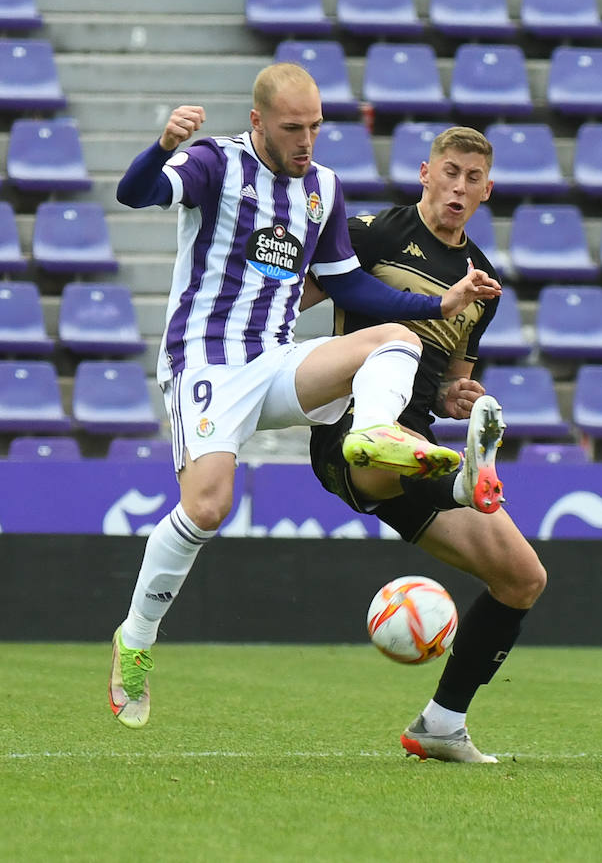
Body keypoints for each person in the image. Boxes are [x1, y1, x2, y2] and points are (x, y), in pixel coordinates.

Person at [107, 64, 503, 729]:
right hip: (207, 359)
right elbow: (135, 193)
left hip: (275, 358)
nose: (306, 141)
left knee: (395, 340)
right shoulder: (213, 165)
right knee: (207, 508)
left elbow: (349, 287)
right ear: (259, 122)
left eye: (315, 126)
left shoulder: (322, 190)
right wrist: (163, 147)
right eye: (293, 128)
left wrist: (440, 302)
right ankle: (136, 639)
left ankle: (374, 430)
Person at [305, 127, 547, 763]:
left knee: (523, 578)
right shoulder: (375, 235)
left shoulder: (483, 282)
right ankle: (458, 475)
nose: (458, 187)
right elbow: (290, 298)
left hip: (422, 446)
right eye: (450, 172)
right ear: (425, 173)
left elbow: (451, 381)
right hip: (351, 433)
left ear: (487, 191)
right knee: (387, 453)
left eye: (473, 179)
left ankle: (441, 724)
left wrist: (458, 399)